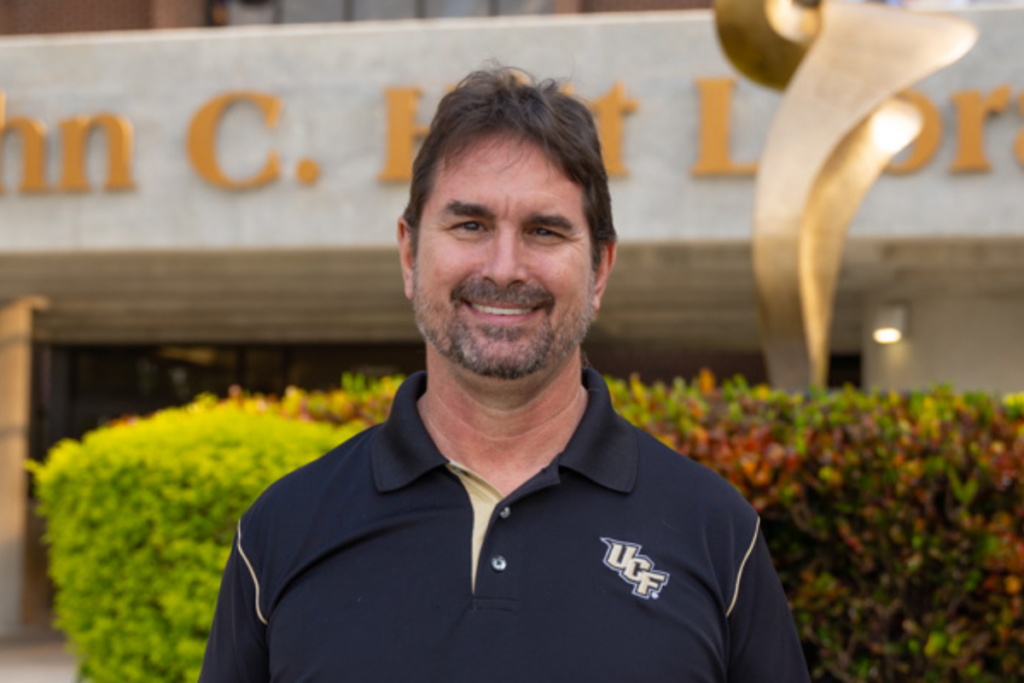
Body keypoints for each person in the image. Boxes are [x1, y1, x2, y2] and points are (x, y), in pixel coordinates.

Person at [199, 66, 811, 682]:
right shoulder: (284, 529)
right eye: (471, 225)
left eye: (544, 231)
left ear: (599, 269)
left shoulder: (714, 532)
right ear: (410, 255)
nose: (505, 267)